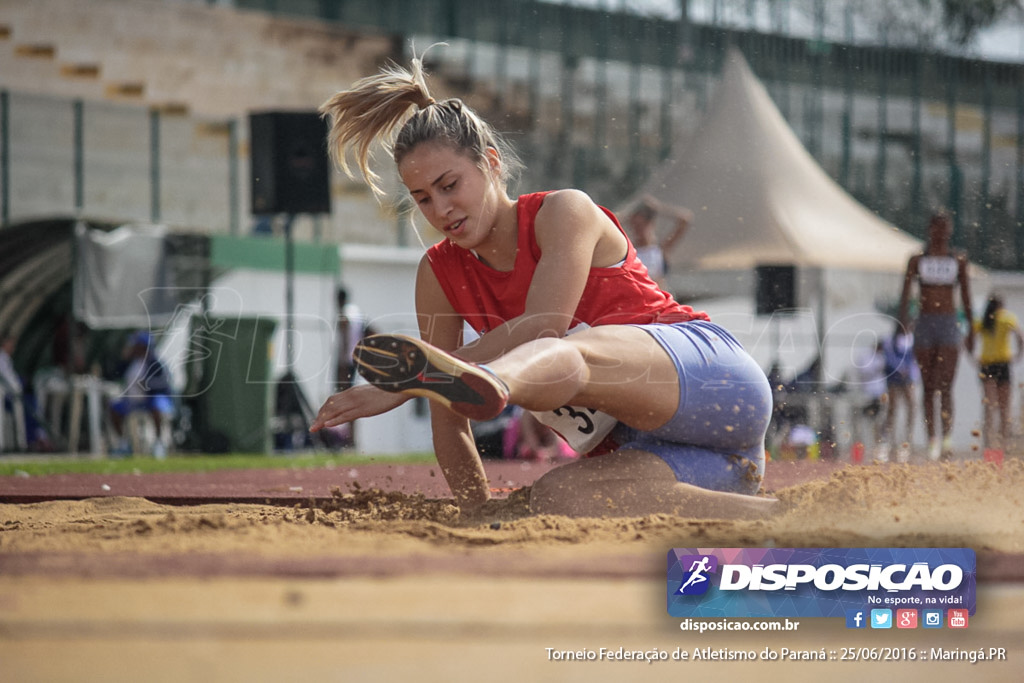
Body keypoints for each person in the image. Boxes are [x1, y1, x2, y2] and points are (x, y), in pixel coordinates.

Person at [310, 55, 776, 520]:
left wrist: (414, 383)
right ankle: (774, 516)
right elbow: (449, 422)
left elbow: (541, 329)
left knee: (566, 349)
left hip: (716, 387)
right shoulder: (437, 274)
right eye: (423, 199)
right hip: (698, 462)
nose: (441, 209)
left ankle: (495, 381)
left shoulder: (564, 213)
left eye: (450, 185)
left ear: (491, 164)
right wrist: (477, 511)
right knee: (556, 498)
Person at [898, 210, 973, 461]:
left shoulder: (958, 259)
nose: (940, 231)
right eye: (936, 226)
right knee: (929, 387)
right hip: (925, 322)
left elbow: (966, 296)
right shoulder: (917, 259)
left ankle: (947, 440)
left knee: (946, 386)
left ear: (950, 229)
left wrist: (972, 329)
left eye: (944, 226)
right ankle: (932, 439)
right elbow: (906, 292)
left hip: (949, 323)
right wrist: (901, 322)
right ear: (930, 229)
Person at [109, 331, 174, 458]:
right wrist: (124, 358)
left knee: (157, 406)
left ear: (143, 346)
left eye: (136, 344)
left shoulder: (155, 362)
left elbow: (164, 384)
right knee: (114, 408)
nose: (132, 347)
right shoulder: (130, 362)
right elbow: (113, 373)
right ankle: (124, 445)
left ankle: (159, 443)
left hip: (148, 400)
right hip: (133, 401)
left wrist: (147, 384)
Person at [972, 294, 1023, 451]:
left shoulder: (982, 321)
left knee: (989, 405)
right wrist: (1018, 356)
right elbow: (1020, 338)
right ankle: (1003, 443)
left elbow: (967, 339)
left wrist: (973, 357)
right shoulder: (1007, 318)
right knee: (1004, 407)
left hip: (986, 364)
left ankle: (988, 442)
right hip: (1003, 363)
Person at [626, 194, 692, 289]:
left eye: (640, 226)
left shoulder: (660, 250)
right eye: (634, 226)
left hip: (659, 300)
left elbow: (685, 220)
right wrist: (628, 214)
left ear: (650, 224)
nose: (637, 230)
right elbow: (610, 222)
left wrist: (658, 208)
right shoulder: (629, 251)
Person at [881, 328, 920, 463]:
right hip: (894, 378)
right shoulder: (890, 340)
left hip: (908, 378)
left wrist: (911, 374)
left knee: (912, 406)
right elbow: (889, 357)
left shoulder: (913, 339)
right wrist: (900, 368)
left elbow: (915, 359)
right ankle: (887, 441)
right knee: (892, 408)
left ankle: (907, 440)